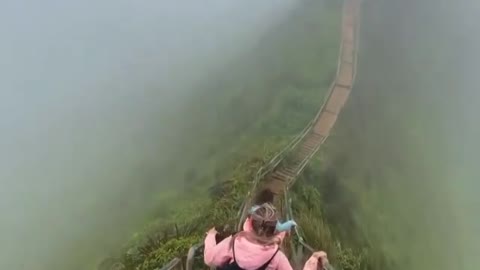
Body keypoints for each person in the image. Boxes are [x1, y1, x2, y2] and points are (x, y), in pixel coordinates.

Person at [204, 203, 328, 270]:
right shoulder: (277, 257)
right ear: (274, 230)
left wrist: (211, 236)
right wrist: (313, 261)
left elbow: (209, 259)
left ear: (249, 223)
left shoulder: (234, 242)